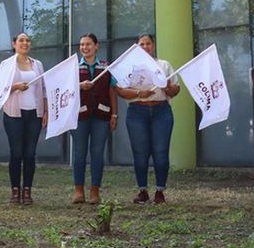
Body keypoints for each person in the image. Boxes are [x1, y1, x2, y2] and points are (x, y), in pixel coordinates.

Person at [116, 33, 180, 204]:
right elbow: (120, 90)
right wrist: (139, 93)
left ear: (153, 45)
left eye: (148, 44)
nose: (145, 47)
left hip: (161, 111)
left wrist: (166, 86)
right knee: (140, 153)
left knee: (160, 152)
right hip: (137, 111)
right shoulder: (130, 67)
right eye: (142, 44)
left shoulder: (164, 65)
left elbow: (176, 89)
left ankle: (160, 191)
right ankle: (142, 190)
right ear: (137, 47)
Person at [1, 32, 47, 205]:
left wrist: (46, 111)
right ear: (14, 44)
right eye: (21, 40)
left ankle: (27, 190)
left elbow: (43, 88)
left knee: (30, 153)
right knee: (16, 152)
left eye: (27, 40)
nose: (25, 43)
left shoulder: (38, 64)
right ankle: (15, 190)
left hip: (34, 113)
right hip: (14, 114)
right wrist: (14, 86)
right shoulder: (6, 64)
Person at [72, 33, 117, 205]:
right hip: (79, 117)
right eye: (82, 44)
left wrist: (114, 114)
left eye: (88, 44)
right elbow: (66, 90)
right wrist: (79, 86)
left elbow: (112, 91)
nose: (85, 47)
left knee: (97, 153)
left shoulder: (106, 67)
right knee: (79, 153)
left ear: (96, 46)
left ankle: (95, 191)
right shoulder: (73, 68)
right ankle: (78, 190)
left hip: (102, 117)